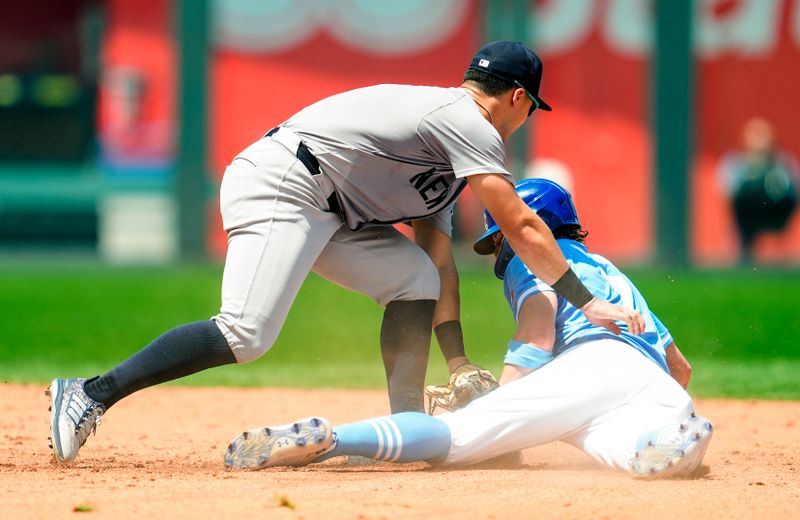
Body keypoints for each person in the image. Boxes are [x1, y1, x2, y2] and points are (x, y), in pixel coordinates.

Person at [48, 41, 644, 464]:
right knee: (246, 333)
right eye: (527, 108)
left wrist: (457, 360)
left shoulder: (445, 158)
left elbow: (437, 264)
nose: (522, 120)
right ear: (518, 97)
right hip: (284, 182)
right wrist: (585, 302)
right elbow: (521, 224)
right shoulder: (469, 123)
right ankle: (90, 392)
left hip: (330, 211)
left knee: (411, 278)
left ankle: (405, 425)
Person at [223, 179, 711, 479]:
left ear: (535, 226)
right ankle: (676, 440)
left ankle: (332, 439)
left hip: (589, 365)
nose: (501, 247)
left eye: (504, 234)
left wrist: (502, 393)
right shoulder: (610, 271)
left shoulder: (530, 257)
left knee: (454, 438)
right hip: (654, 389)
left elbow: (539, 326)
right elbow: (679, 367)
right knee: (623, 450)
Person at [717, 117, 798, 264]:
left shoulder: (783, 162)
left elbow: (793, 190)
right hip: (745, 218)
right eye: (754, 135)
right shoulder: (735, 163)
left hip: (776, 214)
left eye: (762, 136)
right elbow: (726, 192)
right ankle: (741, 258)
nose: (759, 142)